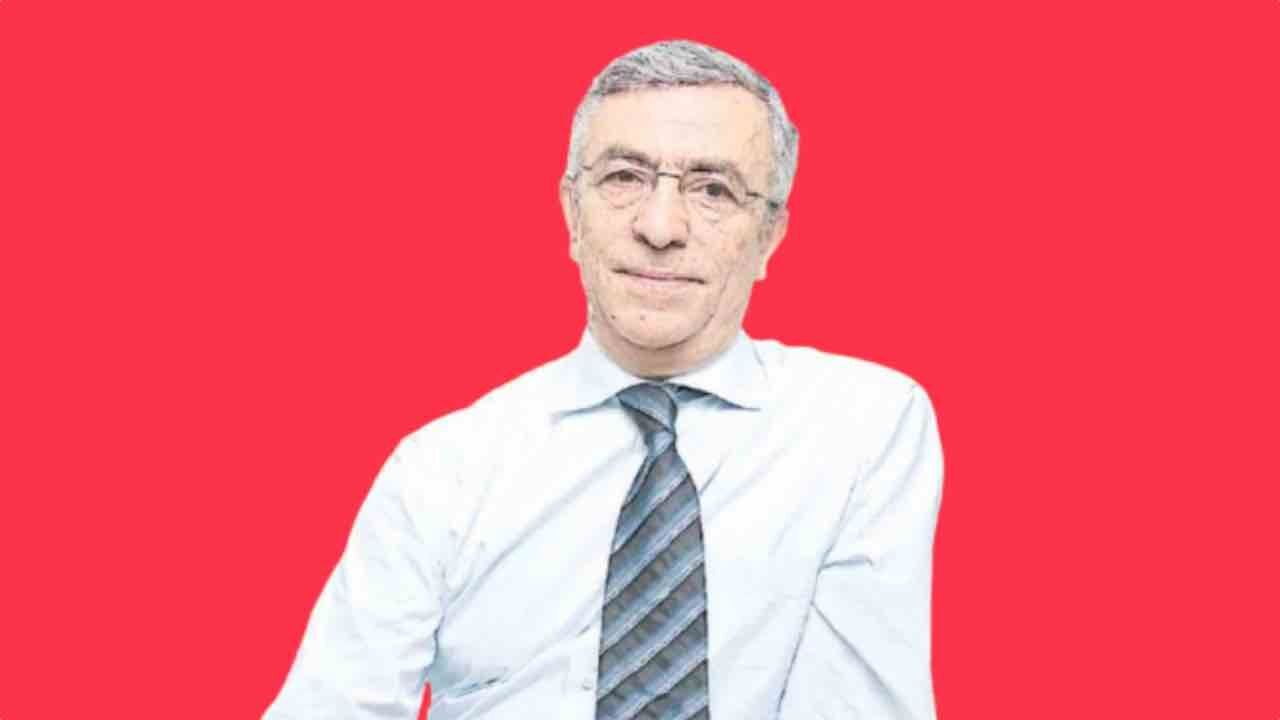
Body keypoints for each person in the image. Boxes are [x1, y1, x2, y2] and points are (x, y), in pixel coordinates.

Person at [264, 39, 944, 720]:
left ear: (769, 236)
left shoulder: (863, 429)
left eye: (714, 189)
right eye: (624, 178)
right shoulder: (442, 471)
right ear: (572, 212)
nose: (660, 227)